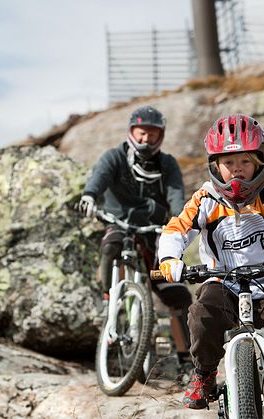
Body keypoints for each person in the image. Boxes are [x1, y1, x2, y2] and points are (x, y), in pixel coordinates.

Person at [157, 114, 264, 417]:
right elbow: (177, 230)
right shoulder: (205, 199)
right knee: (201, 314)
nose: (237, 171)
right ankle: (205, 373)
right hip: (222, 282)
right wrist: (170, 259)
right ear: (215, 166)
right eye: (229, 164)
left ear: (260, 164)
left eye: (245, 163)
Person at [78, 105, 194, 372]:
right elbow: (99, 177)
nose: (146, 140)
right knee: (111, 245)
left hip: (155, 233)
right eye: (142, 134)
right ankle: (108, 299)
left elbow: (176, 195)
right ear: (132, 132)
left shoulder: (167, 164)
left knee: (178, 297)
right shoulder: (115, 157)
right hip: (119, 223)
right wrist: (89, 195)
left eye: (153, 135)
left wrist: (179, 220)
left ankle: (186, 360)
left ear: (161, 136)